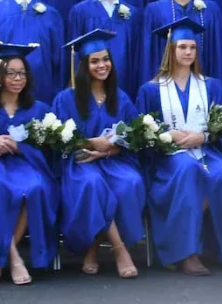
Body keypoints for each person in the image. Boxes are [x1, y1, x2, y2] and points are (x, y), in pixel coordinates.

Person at [136, 19, 222, 276]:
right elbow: (143, 132)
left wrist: (203, 137)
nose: (187, 52)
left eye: (192, 47)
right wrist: (166, 134)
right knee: (187, 170)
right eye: (182, 46)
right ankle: (186, 252)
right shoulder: (150, 90)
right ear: (170, 50)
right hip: (169, 156)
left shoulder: (211, 85)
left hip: (205, 151)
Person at [52, 28, 145, 279]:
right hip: (80, 162)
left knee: (130, 182)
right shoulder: (66, 98)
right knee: (93, 185)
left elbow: (135, 136)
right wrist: (90, 143)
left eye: (105, 60)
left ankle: (92, 250)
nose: (102, 65)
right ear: (83, 65)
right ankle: (119, 249)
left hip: (113, 160)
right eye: (94, 61)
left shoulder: (120, 97)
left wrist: (109, 150)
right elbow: (59, 139)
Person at [0, 42, 58, 285]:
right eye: (11, 73)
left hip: (25, 165)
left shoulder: (39, 110)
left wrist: (18, 146)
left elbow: (46, 151)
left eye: (22, 73)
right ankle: (14, 258)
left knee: (37, 188)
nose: (18, 79)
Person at [67, 0, 143, 93]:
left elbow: (136, 54)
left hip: (124, 80)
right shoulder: (81, 11)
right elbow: (75, 53)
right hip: (90, 82)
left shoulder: (133, 13)